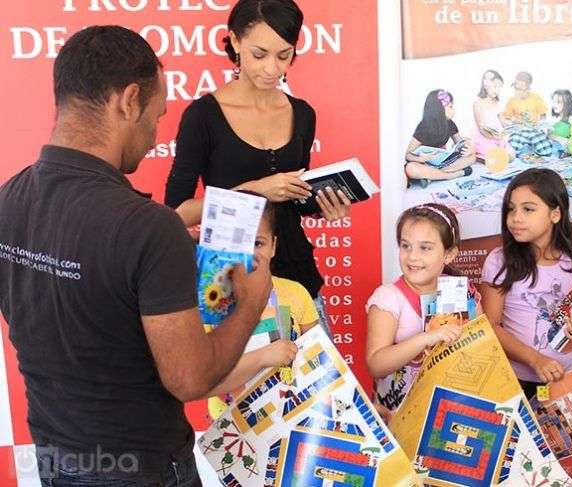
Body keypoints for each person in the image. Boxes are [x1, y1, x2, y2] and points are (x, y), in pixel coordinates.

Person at [0, 26, 273, 486]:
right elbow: (190, 380)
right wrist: (249, 302)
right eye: (156, 115)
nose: (153, 135)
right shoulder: (148, 226)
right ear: (128, 100)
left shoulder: (8, 198)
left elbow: (59, 306)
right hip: (140, 467)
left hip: (54, 455)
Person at [165, 0, 349, 334]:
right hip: (227, 278)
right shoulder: (203, 117)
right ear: (234, 42)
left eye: (284, 55)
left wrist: (321, 205)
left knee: (319, 379)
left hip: (296, 272)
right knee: (238, 384)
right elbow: (176, 213)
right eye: (259, 54)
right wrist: (254, 191)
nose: (272, 69)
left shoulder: (303, 114)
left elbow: (291, 200)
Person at [479, 168, 572, 398]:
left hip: (571, 378)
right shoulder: (499, 261)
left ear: (555, 214)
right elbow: (489, 326)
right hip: (515, 382)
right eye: (510, 209)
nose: (515, 217)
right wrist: (535, 360)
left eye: (528, 209)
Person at [205, 194, 318, 419]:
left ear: (273, 245)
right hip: (231, 421)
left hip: (291, 415)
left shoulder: (295, 293)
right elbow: (205, 381)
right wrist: (264, 356)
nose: (249, 254)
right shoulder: (211, 302)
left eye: (258, 243)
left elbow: (317, 361)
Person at [366, 204, 481, 419]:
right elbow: (376, 364)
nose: (412, 257)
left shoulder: (459, 290)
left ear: (449, 254)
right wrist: (426, 338)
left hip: (449, 411)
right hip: (399, 417)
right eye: (405, 245)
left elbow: (480, 343)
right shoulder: (388, 297)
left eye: (425, 248)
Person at [404, 89, 476, 188]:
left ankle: (432, 176)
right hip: (426, 163)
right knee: (411, 168)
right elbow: (408, 154)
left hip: (443, 163)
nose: (453, 110)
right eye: (450, 107)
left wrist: (468, 148)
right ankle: (454, 175)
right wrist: (421, 158)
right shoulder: (424, 126)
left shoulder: (450, 124)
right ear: (439, 109)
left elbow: (460, 142)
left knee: (472, 158)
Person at [503, 72, 553, 157]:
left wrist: (540, 124)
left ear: (528, 87)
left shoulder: (536, 97)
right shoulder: (511, 100)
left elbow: (543, 114)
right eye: (517, 89)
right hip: (519, 130)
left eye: (522, 89)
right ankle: (527, 145)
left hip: (534, 129)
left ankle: (530, 145)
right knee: (512, 151)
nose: (519, 92)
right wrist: (512, 122)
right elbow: (506, 118)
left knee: (547, 152)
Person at [472, 70, 515, 159]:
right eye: (495, 86)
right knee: (500, 156)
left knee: (512, 155)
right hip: (484, 138)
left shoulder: (497, 102)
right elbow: (482, 129)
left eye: (500, 87)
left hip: (497, 137)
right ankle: (481, 155)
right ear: (486, 86)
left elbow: (502, 121)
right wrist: (494, 136)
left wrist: (512, 126)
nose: (498, 90)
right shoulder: (478, 104)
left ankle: (493, 153)